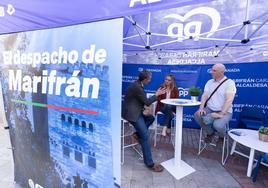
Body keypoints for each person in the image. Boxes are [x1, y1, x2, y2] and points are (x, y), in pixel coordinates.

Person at [122, 70, 166, 172]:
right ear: (145, 79)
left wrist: (144, 109)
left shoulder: (138, 84)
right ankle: (150, 163)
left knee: (151, 118)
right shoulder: (137, 87)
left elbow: (140, 101)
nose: (150, 80)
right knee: (145, 136)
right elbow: (146, 102)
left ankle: (137, 134)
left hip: (136, 111)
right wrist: (157, 94)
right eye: (149, 79)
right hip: (132, 114)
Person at [194, 63, 236, 145]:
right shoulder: (209, 82)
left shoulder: (230, 83)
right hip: (210, 109)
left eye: (214, 70)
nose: (211, 72)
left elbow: (229, 100)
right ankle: (210, 133)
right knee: (197, 115)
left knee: (218, 125)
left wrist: (221, 114)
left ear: (222, 72)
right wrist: (201, 108)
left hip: (225, 111)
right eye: (211, 70)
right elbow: (204, 95)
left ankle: (222, 136)